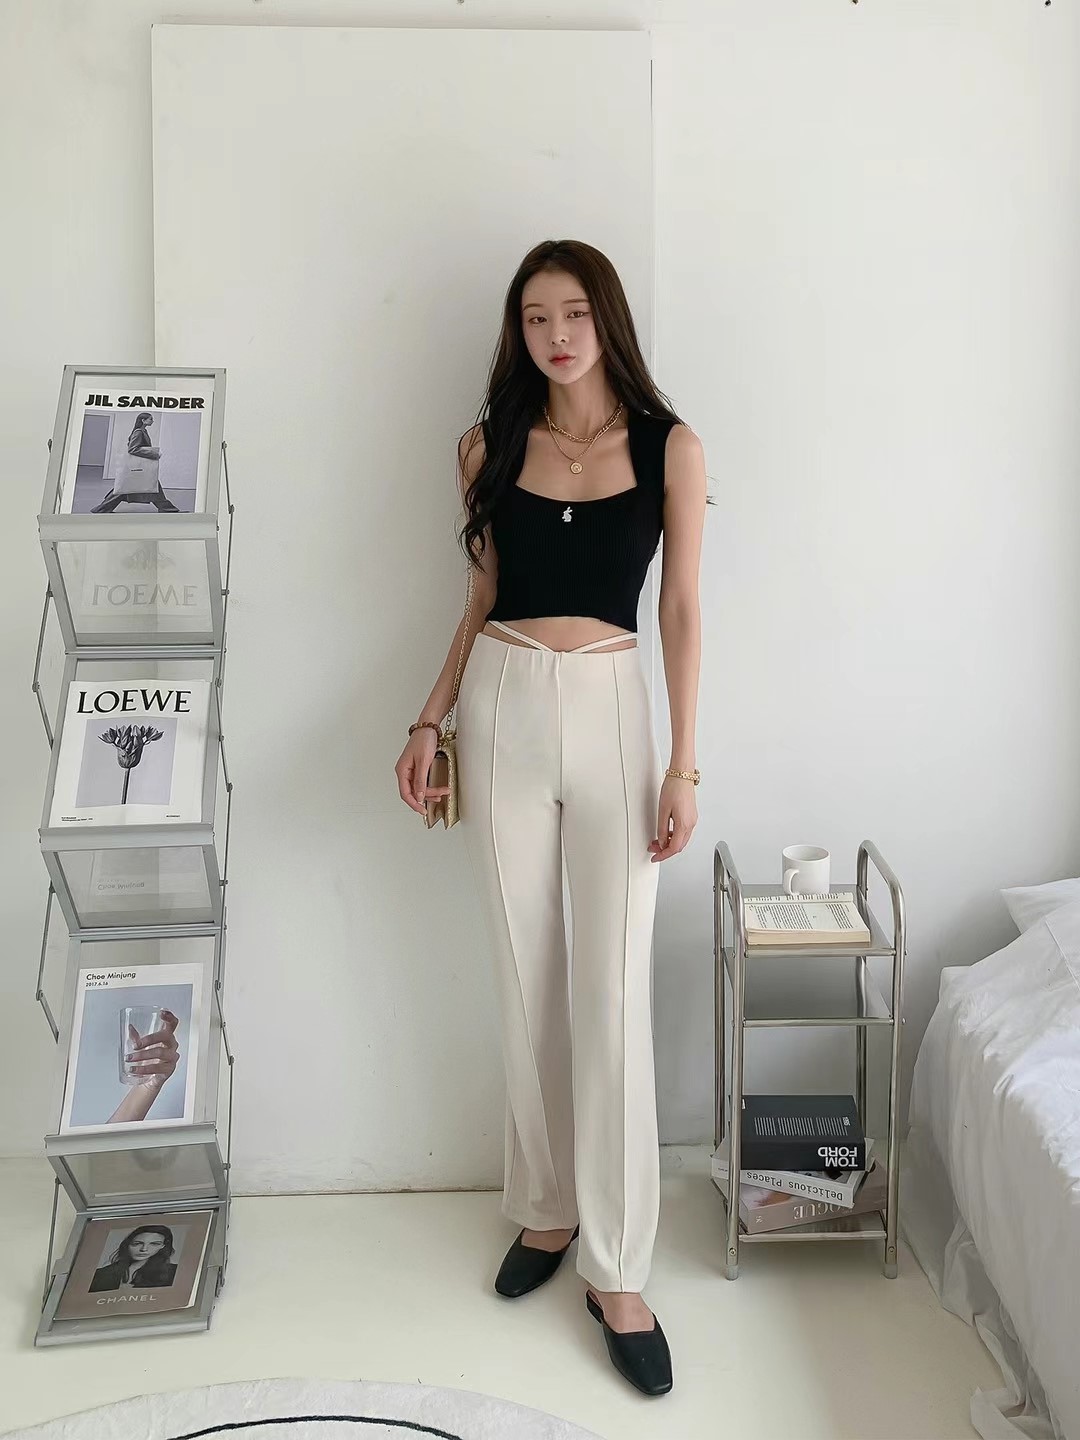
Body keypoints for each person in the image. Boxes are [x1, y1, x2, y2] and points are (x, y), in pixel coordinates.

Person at [394, 239, 706, 1398]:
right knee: (526, 977)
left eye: (574, 313)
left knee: (612, 992)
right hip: (504, 706)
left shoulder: (671, 447)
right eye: (535, 317)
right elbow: (480, 594)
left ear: (605, 319)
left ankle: (619, 1271)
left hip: (617, 711)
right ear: (517, 331)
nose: (556, 335)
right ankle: (545, 1209)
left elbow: (682, 608)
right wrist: (429, 720)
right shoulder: (487, 446)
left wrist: (684, 764)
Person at [91, 412, 180, 513]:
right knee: (128, 489)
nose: (152, 421)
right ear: (143, 420)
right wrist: (153, 453)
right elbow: (132, 449)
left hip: (141, 467)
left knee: (146, 486)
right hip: (140, 467)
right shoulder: (138, 432)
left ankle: (166, 508)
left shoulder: (143, 431)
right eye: (150, 419)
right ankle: (102, 509)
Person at [89, 1225, 177, 1291]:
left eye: (154, 1244)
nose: (144, 1249)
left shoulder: (173, 1272)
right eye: (137, 1243)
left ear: (162, 1246)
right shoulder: (100, 1274)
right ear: (127, 1244)